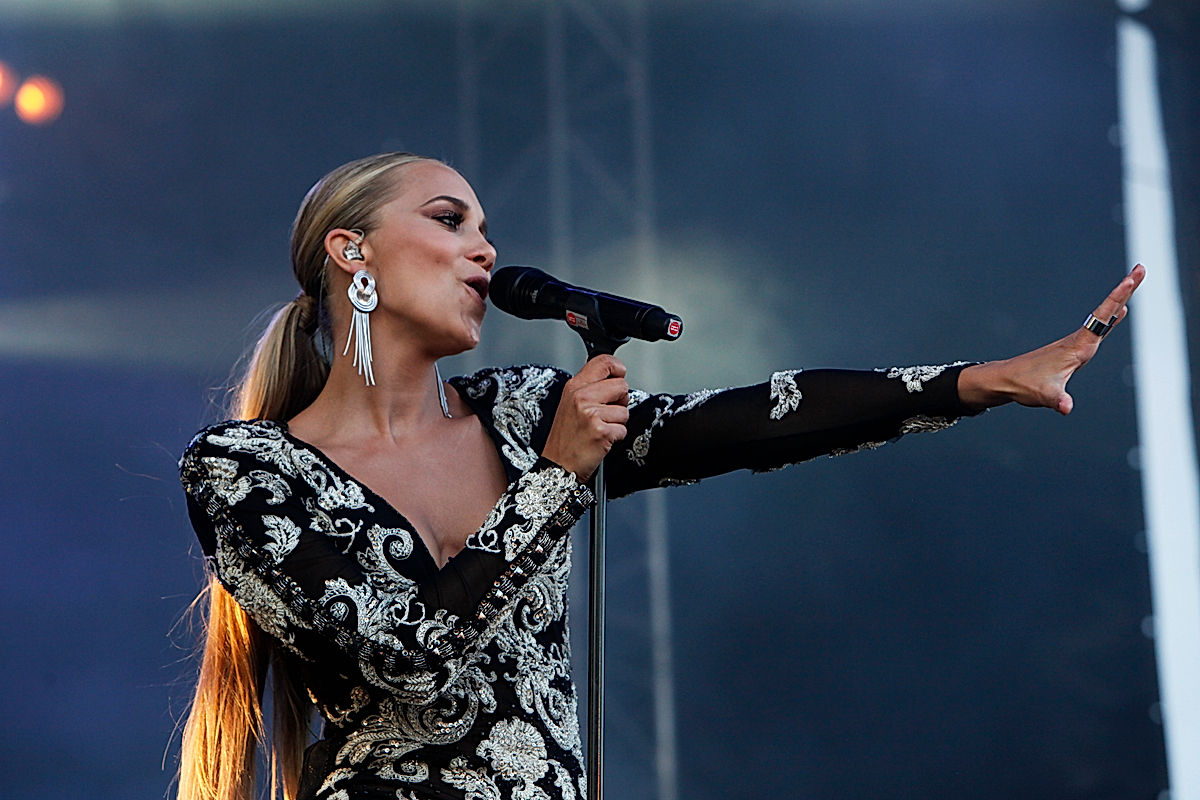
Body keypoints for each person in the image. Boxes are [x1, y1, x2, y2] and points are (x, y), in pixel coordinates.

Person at [175, 152, 1145, 800]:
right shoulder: (247, 471)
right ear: (352, 252)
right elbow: (408, 652)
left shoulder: (517, 411)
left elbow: (751, 422)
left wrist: (976, 381)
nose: (486, 247)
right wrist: (557, 475)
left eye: (486, 226)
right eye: (449, 218)